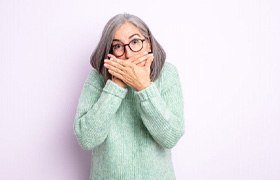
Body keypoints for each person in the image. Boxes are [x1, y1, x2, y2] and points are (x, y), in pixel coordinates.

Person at [73, 13, 185, 180]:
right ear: (109, 51)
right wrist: (116, 86)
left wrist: (144, 87)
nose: (128, 54)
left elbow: (170, 137)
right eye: (118, 46)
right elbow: (86, 139)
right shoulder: (97, 78)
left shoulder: (167, 74)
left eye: (135, 42)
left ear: (149, 44)